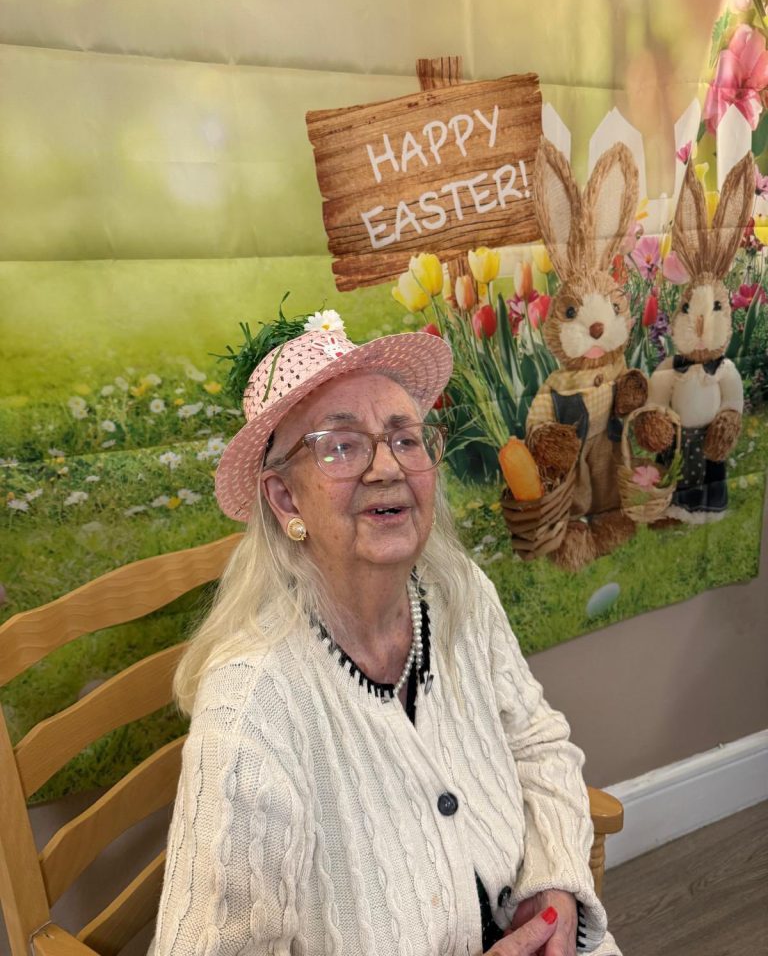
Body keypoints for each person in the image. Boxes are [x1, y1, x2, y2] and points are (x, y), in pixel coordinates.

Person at [149, 313, 622, 956]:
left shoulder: (459, 593)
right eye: (340, 445)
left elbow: (536, 745)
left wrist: (553, 889)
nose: (385, 467)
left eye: (404, 437)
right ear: (285, 500)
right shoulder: (253, 705)